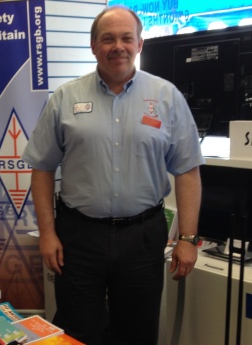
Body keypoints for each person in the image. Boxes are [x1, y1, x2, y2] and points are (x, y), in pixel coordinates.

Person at [22, 5, 204, 345]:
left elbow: (188, 171)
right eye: (108, 39)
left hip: (143, 236)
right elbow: (42, 168)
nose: (117, 46)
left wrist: (188, 238)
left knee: (137, 331)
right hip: (79, 237)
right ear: (94, 46)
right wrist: (47, 233)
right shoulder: (65, 98)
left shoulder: (167, 98)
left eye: (126, 38)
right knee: (78, 332)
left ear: (139, 45)